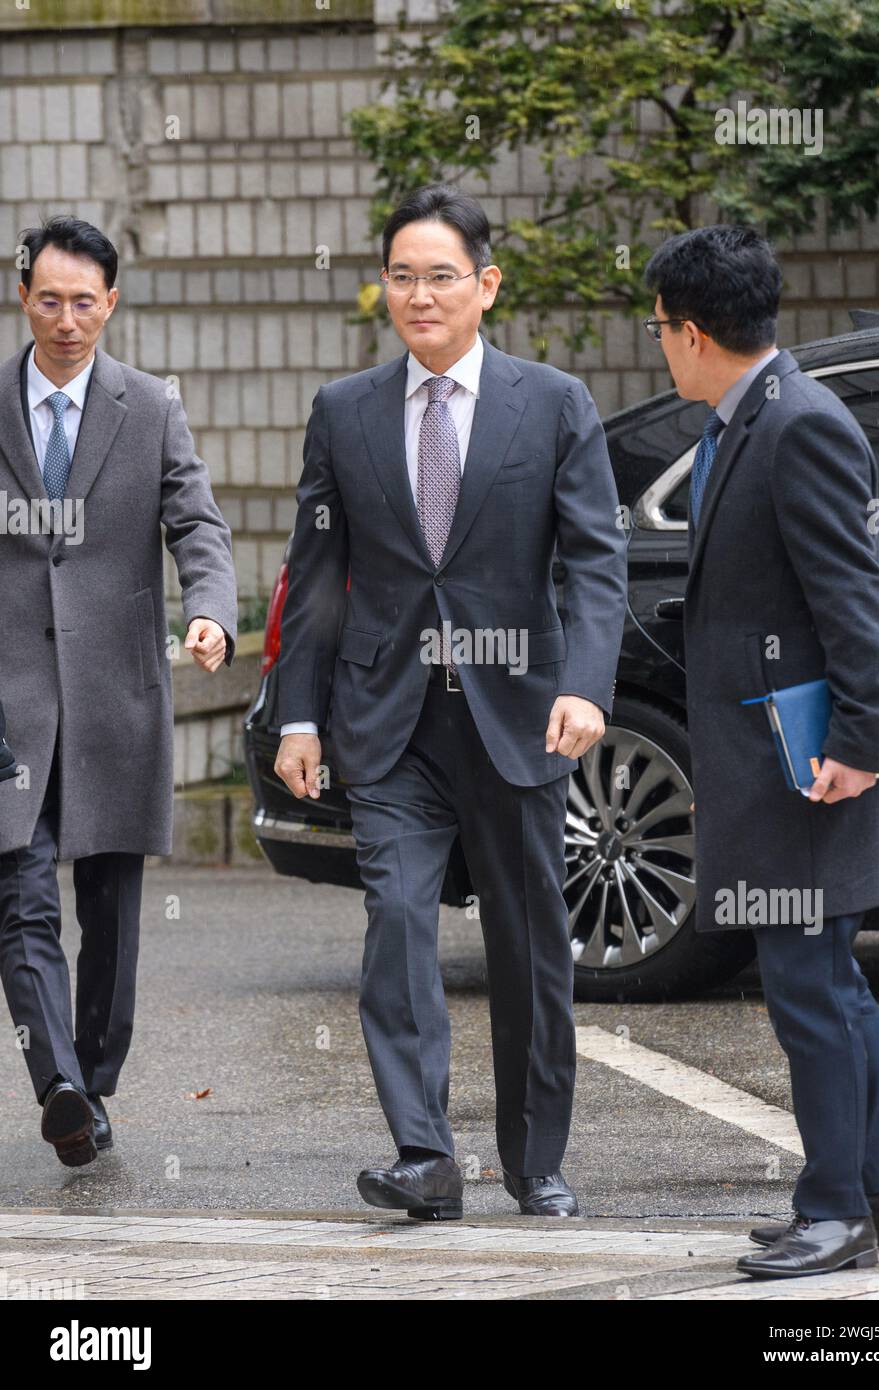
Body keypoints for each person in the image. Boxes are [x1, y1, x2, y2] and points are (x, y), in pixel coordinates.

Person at [275, 184, 627, 1218]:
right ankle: (425, 1153)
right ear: (382, 285)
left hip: (516, 715)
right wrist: (298, 716)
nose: (419, 295)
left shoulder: (553, 403)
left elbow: (595, 566)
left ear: (486, 284)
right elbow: (316, 570)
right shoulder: (344, 412)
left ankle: (535, 1160)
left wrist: (585, 687)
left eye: (440, 276)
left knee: (527, 945)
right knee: (395, 920)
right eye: (401, 276)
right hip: (387, 721)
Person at [643, 224, 879, 1278]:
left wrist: (861, 744)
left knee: (806, 982)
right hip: (786, 756)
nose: (659, 348)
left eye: (659, 328)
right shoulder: (752, 414)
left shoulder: (797, 423)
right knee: (830, 979)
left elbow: (853, 599)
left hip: (812, 760)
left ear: (689, 331)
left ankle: (835, 1212)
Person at [0, 216, 238, 1166]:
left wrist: (211, 610)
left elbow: (199, 523)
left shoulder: (149, 408)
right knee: (20, 898)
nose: (67, 320)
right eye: (49, 299)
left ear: (112, 303)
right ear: (23, 296)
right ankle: (55, 1079)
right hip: (8, 702)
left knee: (111, 910)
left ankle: (92, 1081)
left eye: (84, 302)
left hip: (113, 696)